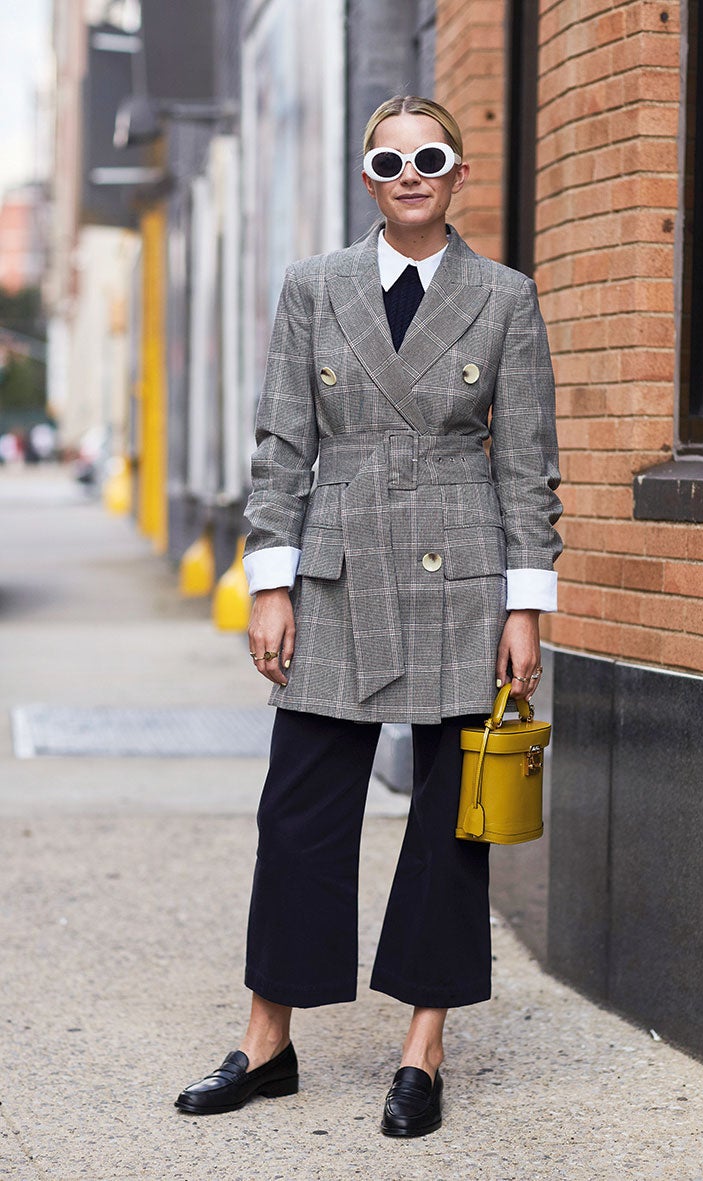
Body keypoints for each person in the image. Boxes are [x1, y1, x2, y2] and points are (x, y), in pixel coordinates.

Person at [175, 95, 562, 1138]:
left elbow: (527, 468)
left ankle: (422, 1047)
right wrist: (269, 578)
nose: (411, 174)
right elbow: (281, 444)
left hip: (461, 572)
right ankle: (268, 1039)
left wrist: (527, 606)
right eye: (390, 160)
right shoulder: (314, 286)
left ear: (458, 172)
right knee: (296, 809)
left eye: (430, 157)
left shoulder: (504, 297)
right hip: (338, 569)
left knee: (450, 816)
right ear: (366, 176)